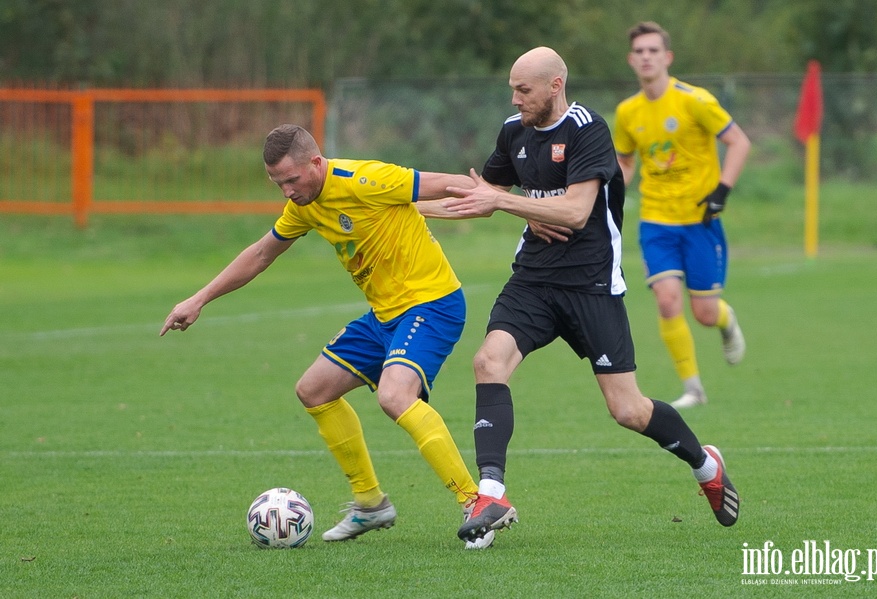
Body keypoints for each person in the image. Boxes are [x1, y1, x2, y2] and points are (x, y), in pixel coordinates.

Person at [435, 47, 740, 544]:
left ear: (555, 85)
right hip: (532, 279)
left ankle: (705, 464)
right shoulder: (513, 132)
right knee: (489, 362)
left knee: (627, 410)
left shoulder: (587, 129)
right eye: (512, 89)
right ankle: (491, 493)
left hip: (590, 283)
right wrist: (402, 207)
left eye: (524, 90)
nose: (515, 99)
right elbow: (480, 195)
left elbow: (577, 212)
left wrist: (508, 202)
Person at [160, 124, 494, 549]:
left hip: (432, 303)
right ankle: (370, 503)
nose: (286, 192)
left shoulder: (366, 179)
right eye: (278, 183)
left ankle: (476, 503)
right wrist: (200, 299)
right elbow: (262, 252)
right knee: (314, 389)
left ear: (316, 163)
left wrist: (487, 196)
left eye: (292, 179)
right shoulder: (303, 206)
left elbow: (445, 182)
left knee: (394, 396)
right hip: (385, 315)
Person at [613, 21, 751, 409]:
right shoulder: (627, 112)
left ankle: (727, 322)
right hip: (657, 221)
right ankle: (693, 387)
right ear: (630, 59)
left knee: (704, 313)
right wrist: (608, 188)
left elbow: (739, 141)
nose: (646, 57)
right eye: (639, 51)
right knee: (667, 300)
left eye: (653, 50)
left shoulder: (695, 100)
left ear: (667, 57)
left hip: (700, 221)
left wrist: (722, 190)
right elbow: (625, 162)